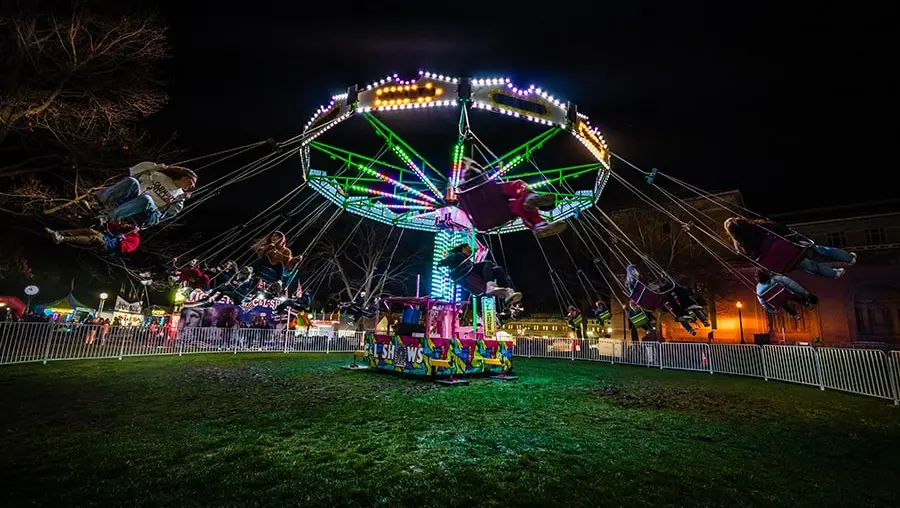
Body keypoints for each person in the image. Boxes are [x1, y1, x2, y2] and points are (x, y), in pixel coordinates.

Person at [460, 157, 566, 238]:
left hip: (487, 218)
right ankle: (531, 203)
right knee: (517, 188)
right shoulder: (483, 189)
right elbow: (479, 177)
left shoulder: (465, 194)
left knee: (518, 204)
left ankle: (539, 224)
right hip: (495, 210)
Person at [724, 217, 857, 279]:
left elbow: (750, 258)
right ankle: (849, 258)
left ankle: (834, 273)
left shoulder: (740, 245)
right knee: (819, 249)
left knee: (810, 266)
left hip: (781, 263)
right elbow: (777, 227)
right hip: (788, 249)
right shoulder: (756, 226)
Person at [93, 162, 197, 228]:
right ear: (183, 177)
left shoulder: (180, 196)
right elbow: (134, 172)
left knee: (147, 199)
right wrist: (154, 167)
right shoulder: (160, 176)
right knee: (132, 181)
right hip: (136, 200)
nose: (189, 186)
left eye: (191, 186)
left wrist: (179, 201)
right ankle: (99, 201)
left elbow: (167, 215)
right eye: (188, 181)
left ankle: (107, 217)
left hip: (150, 213)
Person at [437, 242, 522, 304]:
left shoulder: (468, 260)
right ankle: (490, 286)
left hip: (471, 272)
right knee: (487, 262)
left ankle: (508, 291)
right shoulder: (457, 255)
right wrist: (441, 263)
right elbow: (448, 260)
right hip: (463, 273)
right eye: (468, 248)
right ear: (463, 249)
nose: (470, 249)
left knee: (498, 269)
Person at [45, 222, 140, 256]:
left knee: (94, 238)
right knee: (89, 230)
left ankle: (62, 238)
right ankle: (58, 232)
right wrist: (119, 225)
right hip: (105, 237)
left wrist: (121, 241)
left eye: (131, 225)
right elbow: (111, 226)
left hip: (107, 247)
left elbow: (126, 248)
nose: (128, 225)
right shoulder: (123, 228)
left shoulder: (135, 239)